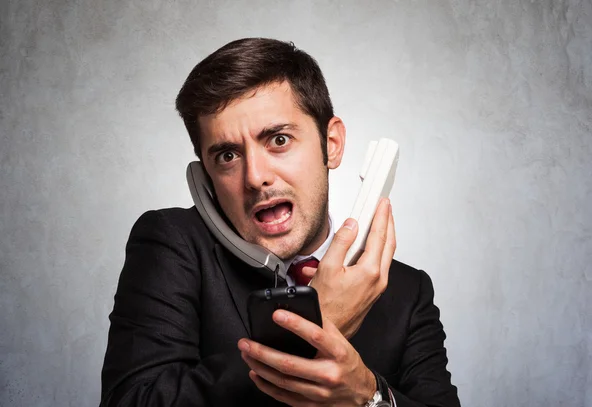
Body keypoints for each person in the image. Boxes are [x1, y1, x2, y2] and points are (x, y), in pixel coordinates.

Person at [100, 38, 460, 407]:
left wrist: (368, 395)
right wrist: (312, 327)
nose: (255, 177)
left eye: (279, 139)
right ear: (206, 178)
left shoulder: (406, 290)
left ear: (331, 144)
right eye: (227, 155)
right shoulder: (173, 244)